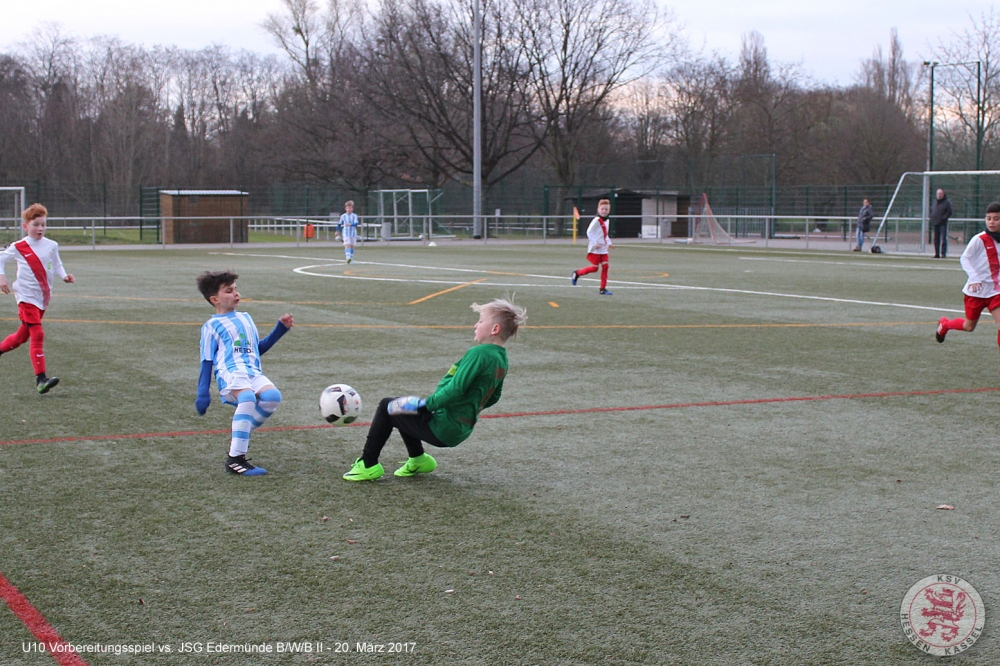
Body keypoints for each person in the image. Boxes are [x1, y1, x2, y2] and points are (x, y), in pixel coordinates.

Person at [343, 297, 527, 482]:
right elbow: (494, 396)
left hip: (443, 427)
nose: (475, 325)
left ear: (495, 329)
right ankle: (418, 459)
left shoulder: (478, 353)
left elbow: (455, 389)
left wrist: (425, 405)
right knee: (401, 405)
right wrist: (467, 408)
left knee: (387, 406)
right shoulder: (501, 358)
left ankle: (368, 464)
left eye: (480, 321)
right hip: (461, 427)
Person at [195, 270, 294, 476]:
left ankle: (240, 435)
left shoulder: (246, 318)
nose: (236, 294)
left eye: (235, 289)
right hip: (230, 373)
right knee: (247, 398)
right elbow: (207, 361)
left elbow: (256, 349)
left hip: (252, 371)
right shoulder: (212, 326)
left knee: (272, 397)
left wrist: (280, 330)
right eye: (229, 291)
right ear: (215, 299)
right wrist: (203, 393)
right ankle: (235, 459)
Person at [0, 203, 74, 394]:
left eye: (43, 224)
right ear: (26, 226)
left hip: (42, 297)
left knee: (21, 337)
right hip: (25, 297)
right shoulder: (19, 246)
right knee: (37, 334)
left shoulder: (51, 245)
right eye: (36, 225)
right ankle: (41, 379)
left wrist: (64, 276)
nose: (40, 228)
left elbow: (57, 264)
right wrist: (2, 276)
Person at [935, 202, 1000, 367]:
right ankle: (945, 325)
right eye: (989, 218)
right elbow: (964, 258)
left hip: (995, 291)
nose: (992, 222)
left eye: (996, 219)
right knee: (969, 326)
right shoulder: (979, 239)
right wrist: (975, 277)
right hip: (976, 291)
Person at [571, 199, 615, 295]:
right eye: (602, 209)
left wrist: (609, 243)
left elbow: (605, 234)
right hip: (596, 249)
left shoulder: (607, 220)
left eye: (606, 209)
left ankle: (602, 289)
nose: (604, 211)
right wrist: (595, 243)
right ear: (598, 209)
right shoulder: (596, 220)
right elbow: (589, 232)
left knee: (605, 266)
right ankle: (577, 273)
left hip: (603, 248)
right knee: (595, 268)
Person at [931, 188, 953, 258]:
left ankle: (943, 253)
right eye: (938, 194)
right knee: (936, 239)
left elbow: (949, 212)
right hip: (935, 223)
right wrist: (932, 217)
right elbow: (932, 210)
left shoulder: (946, 202)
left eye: (940, 194)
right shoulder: (934, 202)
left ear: (943, 194)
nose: (939, 195)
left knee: (943, 239)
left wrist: (943, 218)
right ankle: (936, 253)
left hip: (942, 223)